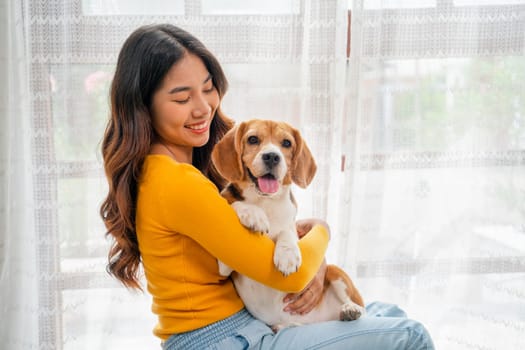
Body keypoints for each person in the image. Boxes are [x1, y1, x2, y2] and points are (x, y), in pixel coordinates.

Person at [100, 23, 435, 350]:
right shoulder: (176, 182)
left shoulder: (169, 170)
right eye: (182, 97)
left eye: (207, 88)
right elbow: (287, 275)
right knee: (412, 335)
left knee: (389, 315)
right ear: (144, 105)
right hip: (223, 339)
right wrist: (322, 229)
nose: (203, 107)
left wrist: (317, 268)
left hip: (241, 325)